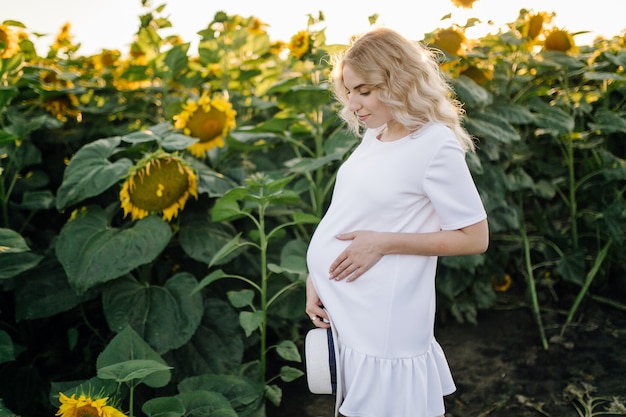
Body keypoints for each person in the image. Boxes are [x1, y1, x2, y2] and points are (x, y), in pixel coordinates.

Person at [305, 27, 489, 417]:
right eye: (349, 90)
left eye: (364, 90)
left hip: (384, 320)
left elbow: (474, 238)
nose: (353, 103)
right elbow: (351, 212)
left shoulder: (434, 144)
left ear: (399, 80)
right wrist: (316, 277)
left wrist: (383, 242)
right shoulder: (378, 133)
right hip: (352, 307)